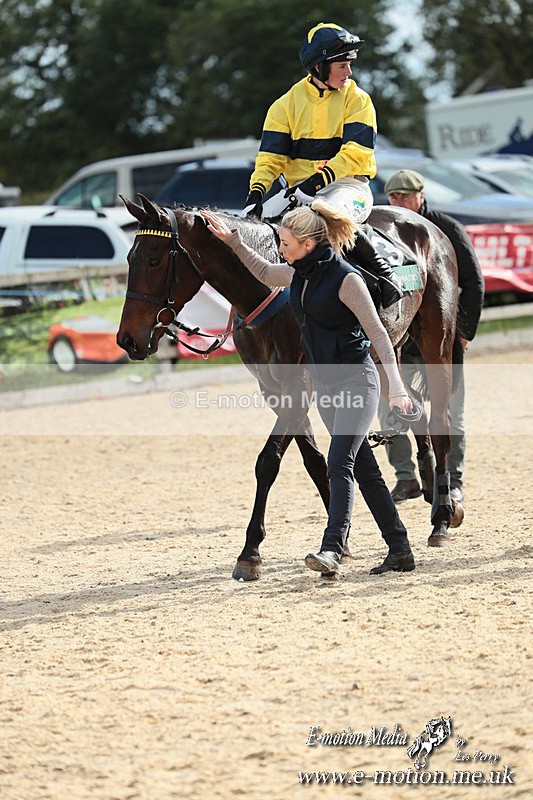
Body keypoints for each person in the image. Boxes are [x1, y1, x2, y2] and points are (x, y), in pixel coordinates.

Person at [201, 201, 415, 576]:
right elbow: (265, 271)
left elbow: (379, 336)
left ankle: (332, 548)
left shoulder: (347, 280)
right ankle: (400, 548)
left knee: (338, 463)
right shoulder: (299, 274)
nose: (281, 249)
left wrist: (395, 388)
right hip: (328, 388)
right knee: (365, 470)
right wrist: (232, 240)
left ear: (307, 243)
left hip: (356, 381)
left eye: (285, 243)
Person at [243, 21, 404, 308]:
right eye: (342, 65)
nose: (349, 72)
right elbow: (270, 159)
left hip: (348, 187)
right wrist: (256, 194)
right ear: (318, 66)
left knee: (322, 214)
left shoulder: (358, 100)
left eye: (349, 64)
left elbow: (356, 153)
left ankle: (385, 275)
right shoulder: (284, 105)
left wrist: (314, 184)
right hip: (298, 192)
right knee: (247, 233)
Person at [379, 169, 485, 504]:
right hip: (403, 339)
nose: (398, 202)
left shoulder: (446, 229)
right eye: (393, 197)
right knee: (392, 408)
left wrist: (463, 334)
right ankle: (406, 477)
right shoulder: (389, 233)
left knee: (451, 407)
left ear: (421, 195)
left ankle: (452, 479)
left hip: (442, 338)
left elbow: (473, 283)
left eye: (404, 196)